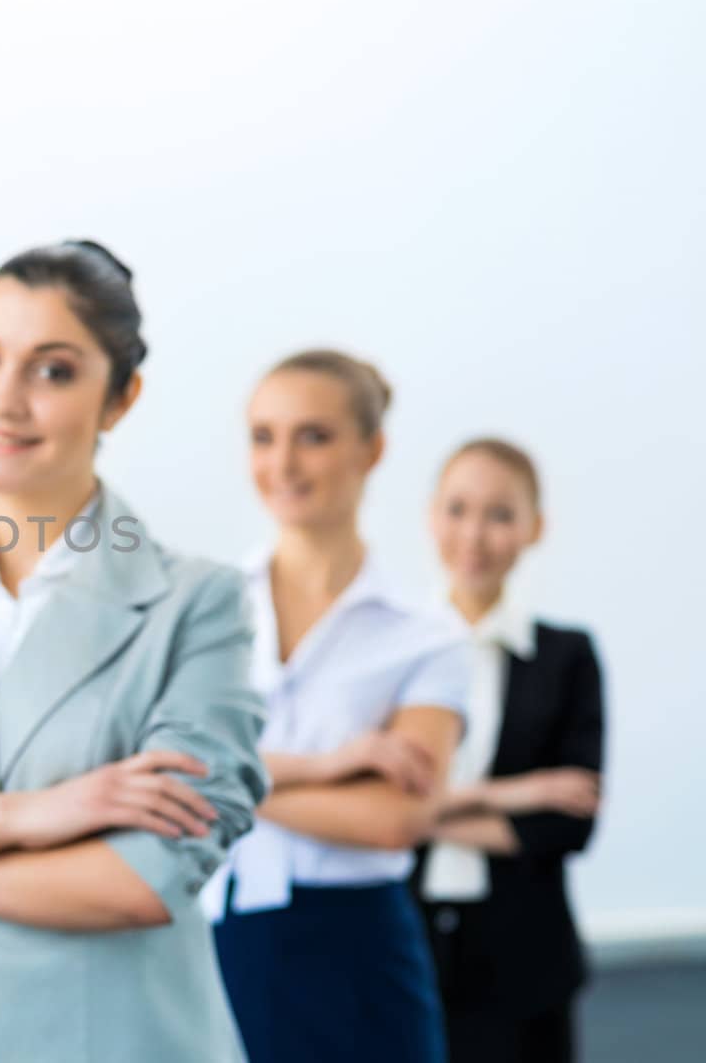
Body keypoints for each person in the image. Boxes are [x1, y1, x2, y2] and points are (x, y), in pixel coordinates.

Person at [0, 240, 267, 1063]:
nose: (4, 398)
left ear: (121, 398)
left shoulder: (197, 605)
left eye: (53, 370)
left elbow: (136, 883)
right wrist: (26, 816)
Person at [204, 348, 469, 1063]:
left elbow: (394, 820)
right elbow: (150, 763)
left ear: (371, 449)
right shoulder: (201, 606)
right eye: (264, 436)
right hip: (209, 943)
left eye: (312, 436)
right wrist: (333, 767)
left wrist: (217, 778)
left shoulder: (427, 636)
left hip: (354, 950)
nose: (282, 462)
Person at [414, 438, 605, 1063]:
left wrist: (426, 811)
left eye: (500, 514)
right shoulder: (395, 648)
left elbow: (565, 823)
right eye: (458, 509)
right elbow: (369, 813)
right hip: (405, 938)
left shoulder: (567, 656)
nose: (474, 534)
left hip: (527, 955)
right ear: (431, 516)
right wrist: (511, 794)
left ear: (534, 529)